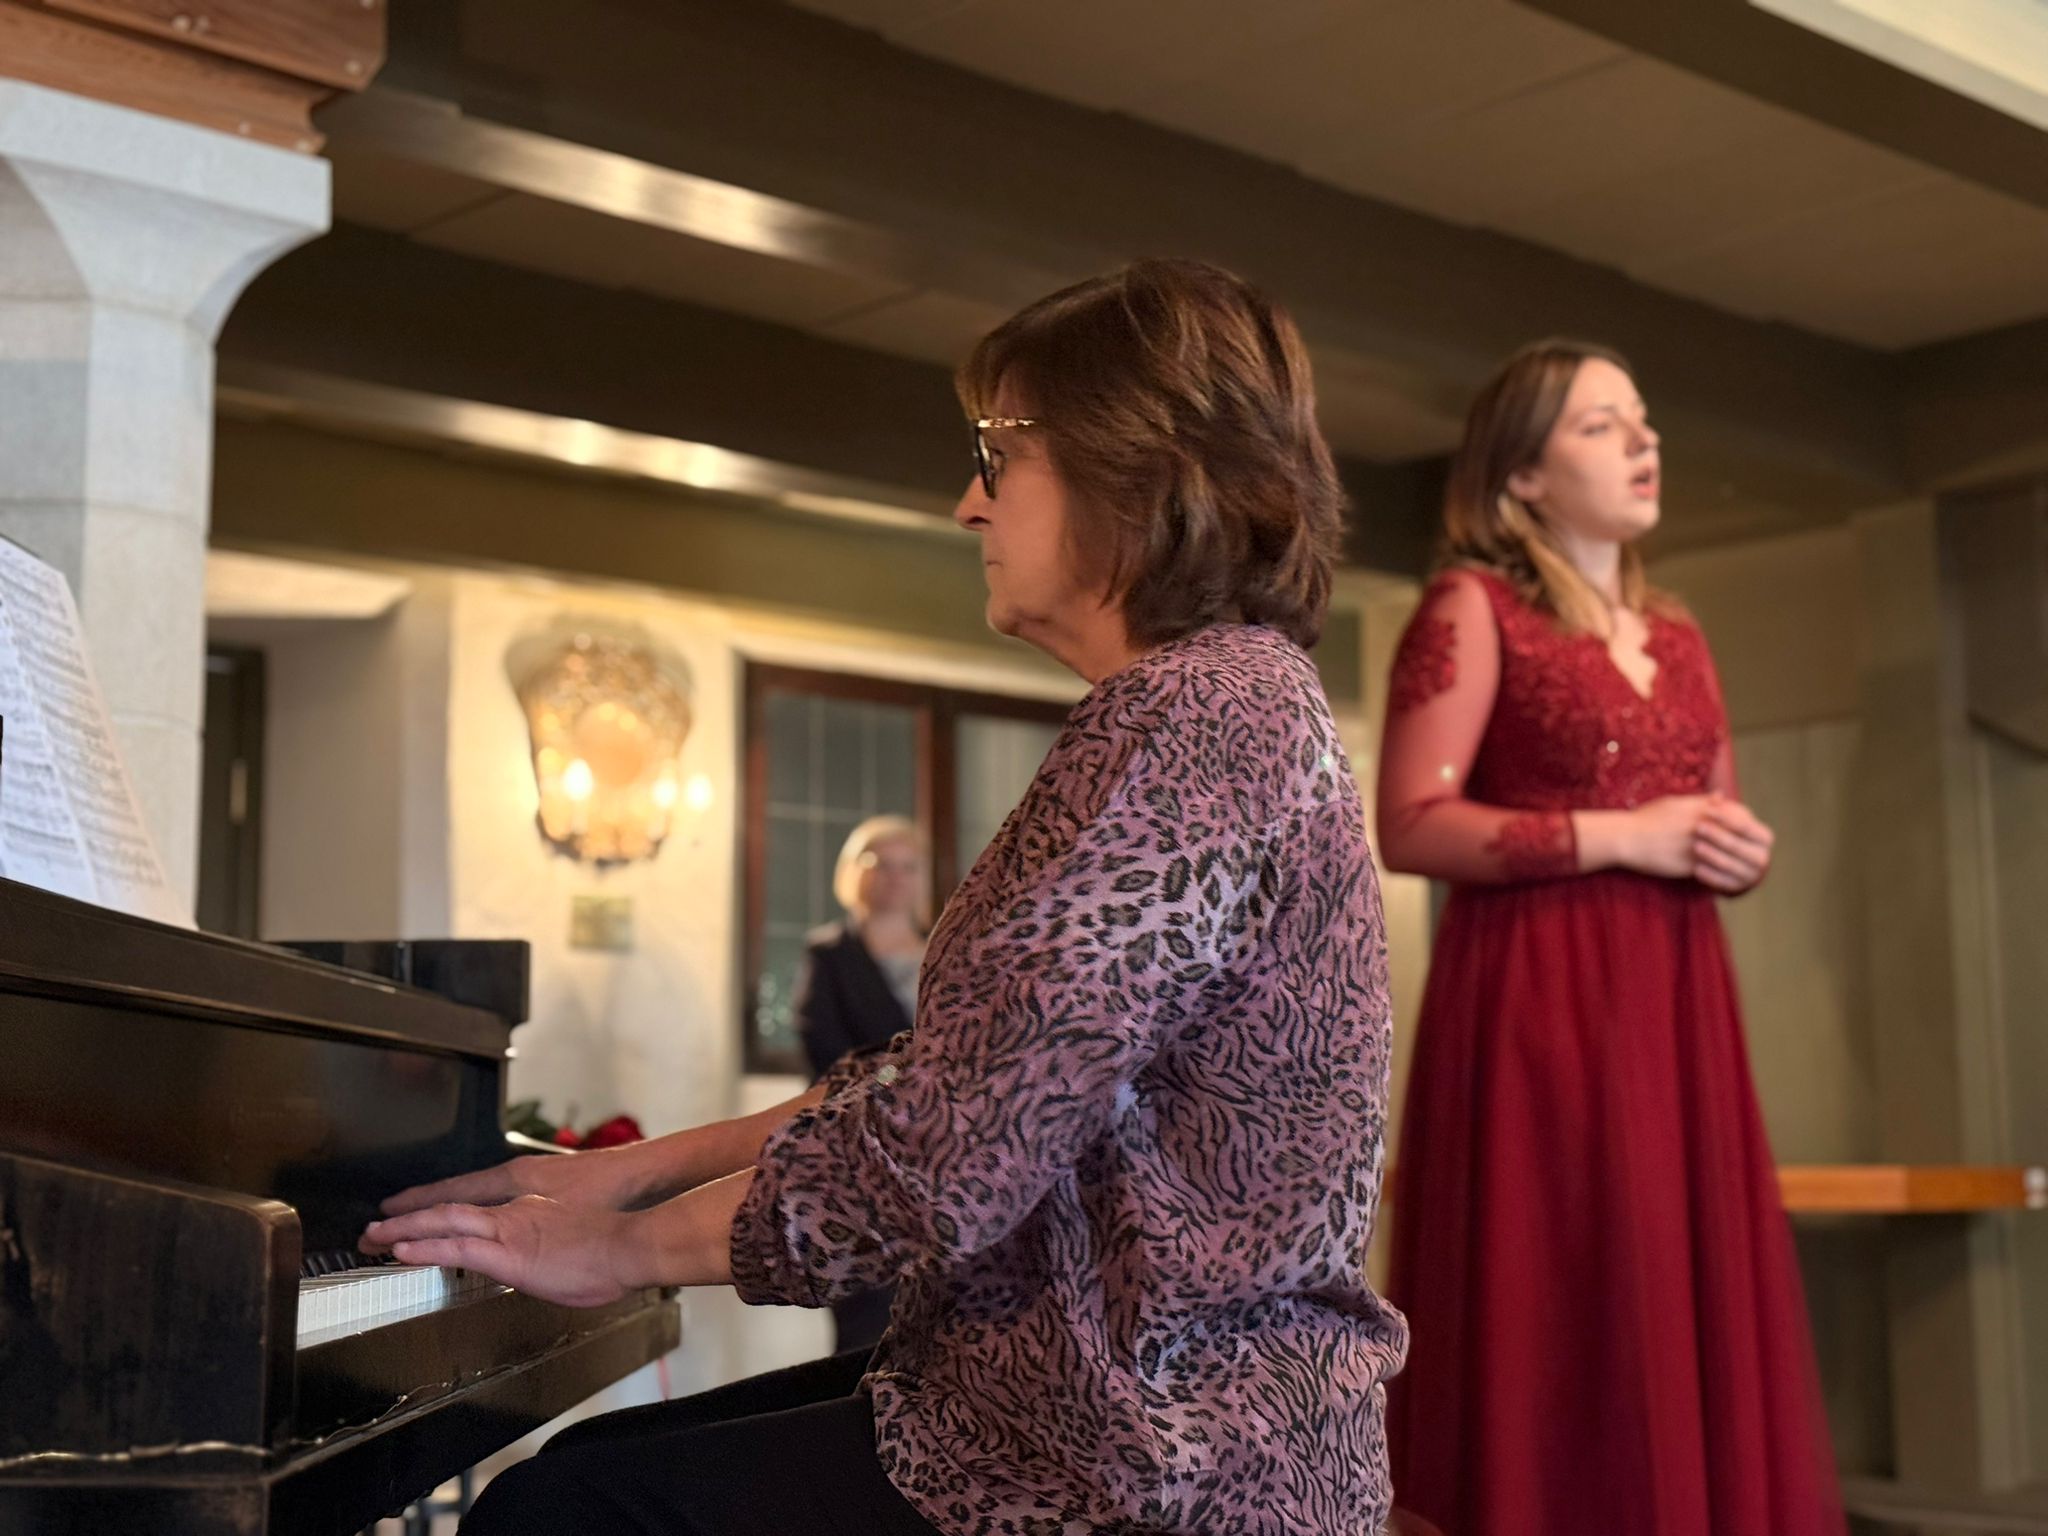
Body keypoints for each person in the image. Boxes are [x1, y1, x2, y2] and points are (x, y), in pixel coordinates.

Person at [363, 257, 1407, 1536]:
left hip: (1155, 1462)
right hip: (1100, 1413)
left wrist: (617, 1251)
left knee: (568, 1512)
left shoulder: (1192, 719)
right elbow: (947, 1077)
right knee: (587, 1477)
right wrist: (624, 1180)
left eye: (998, 456)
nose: (968, 503)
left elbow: (957, 1149)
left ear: (1131, 467)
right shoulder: (1223, 704)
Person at [1376, 339, 1844, 1536]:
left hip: (1676, 998)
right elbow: (1410, 822)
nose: (1642, 441)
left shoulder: (1678, 632)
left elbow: (1711, 809)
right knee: (1571, 1285)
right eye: (1600, 425)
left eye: (1640, 419)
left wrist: (1734, 849)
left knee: (1678, 1283)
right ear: (1520, 475)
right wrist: (1622, 836)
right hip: (1538, 998)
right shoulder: (1471, 606)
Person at [794, 815, 927, 1350]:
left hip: (942, 1155)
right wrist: (897, 1080)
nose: (895, 877)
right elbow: (826, 1051)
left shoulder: (945, 947)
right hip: (860, 1150)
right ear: (854, 873)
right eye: (880, 864)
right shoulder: (830, 955)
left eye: (907, 866)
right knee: (867, 1331)